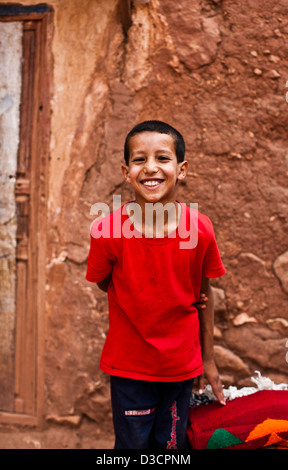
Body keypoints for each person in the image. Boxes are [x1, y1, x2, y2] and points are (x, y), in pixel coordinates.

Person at [86, 120, 226, 449]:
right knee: (132, 447)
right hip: (130, 367)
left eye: (163, 158)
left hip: (181, 367)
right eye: (139, 160)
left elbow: (204, 293)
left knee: (171, 445)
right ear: (126, 171)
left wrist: (208, 359)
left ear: (182, 169)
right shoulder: (107, 231)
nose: (151, 168)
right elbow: (104, 282)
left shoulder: (201, 229)